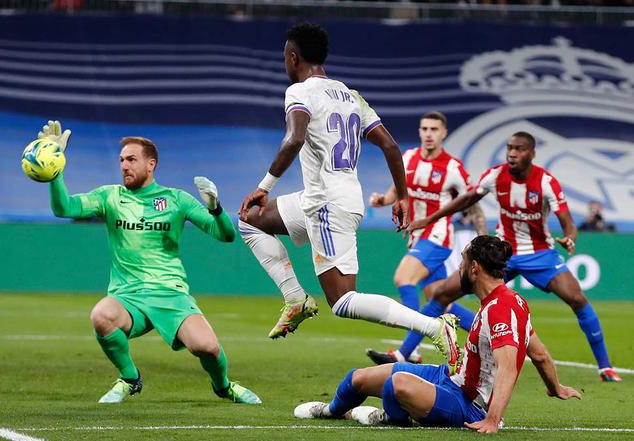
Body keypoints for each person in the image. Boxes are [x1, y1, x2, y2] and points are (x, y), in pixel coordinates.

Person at [237, 22, 460, 371]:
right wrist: (402, 195)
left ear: (293, 57)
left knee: (342, 301)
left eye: (285, 57)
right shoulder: (350, 94)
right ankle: (295, 299)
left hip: (327, 205)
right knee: (250, 221)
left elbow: (294, 139)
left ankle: (434, 326)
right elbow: (389, 144)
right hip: (324, 198)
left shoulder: (300, 92)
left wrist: (264, 187)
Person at [38, 121, 261, 404]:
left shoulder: (176, 199)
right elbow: (63, 208)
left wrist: (216, 208)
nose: (124, 166)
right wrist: (55, 170)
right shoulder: (110, 197)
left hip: (171, 294)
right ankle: (130, 378)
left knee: (208, 348)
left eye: (131, 159)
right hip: (127, 295)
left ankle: (224, 387)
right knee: (100, 316)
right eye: (121, 160)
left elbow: (226, 235)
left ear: (151, 164)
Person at [294, 236, 582, 433]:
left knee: (398, 385)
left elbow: (507, 368)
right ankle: (333, 411)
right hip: (449, 378)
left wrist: (493, 420)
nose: (458, 269)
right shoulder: (504, 302)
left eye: (461, 263)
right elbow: (540, 355)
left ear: (474, 268)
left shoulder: (502, 309)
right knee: (358, 378)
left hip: (470, 405)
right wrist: (555, 388)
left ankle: (392, 419)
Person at [396, 131, 621, 382]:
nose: (512, 153)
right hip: (503, 253)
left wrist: (570, 238)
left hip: (540, 254)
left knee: (577, 299)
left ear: (531, 154)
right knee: (441, 293)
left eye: (520, 149)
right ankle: (404, 352)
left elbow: (568, 223)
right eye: (510, 148)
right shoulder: (495, 175)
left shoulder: (546, 182)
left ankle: (605, 367)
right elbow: (468, 198)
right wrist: (430, 218)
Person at [366, 111, 486, 364]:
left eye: (434, 129)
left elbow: (474, 204)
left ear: (444, 133)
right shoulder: (408, 158)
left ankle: (409, 351)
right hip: (417, 237)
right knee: (441, 301)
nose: (428, 134)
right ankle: (487, 331)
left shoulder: (453, 169)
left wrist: (483, 237)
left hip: (438, 237)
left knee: (403, 278)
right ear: (419, 132)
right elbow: (397, 192)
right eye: (424, 129)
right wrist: (381, 201)